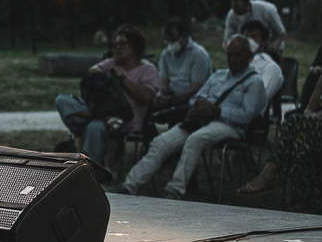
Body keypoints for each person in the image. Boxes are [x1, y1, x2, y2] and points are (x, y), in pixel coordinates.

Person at [114, 35, 267, 199]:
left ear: (248, 57)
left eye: (237, 55)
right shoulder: (219, 75)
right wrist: (200, 105)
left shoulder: (254, 82)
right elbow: (196, 98)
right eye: (229, 54)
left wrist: (218, 111)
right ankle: (130, 185)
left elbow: (248, 115)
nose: (232, 59)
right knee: (161, 142)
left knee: (196, 139)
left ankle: (175, 190)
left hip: (230, 125)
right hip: (200, 119)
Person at [56, 25, 160, 167]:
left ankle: (90, 172)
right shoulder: (112, 63)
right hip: (104, 112)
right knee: (63, 100)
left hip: (127, 119)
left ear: (135, 47)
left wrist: (122, 78)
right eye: (115, 44)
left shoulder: (147, 69)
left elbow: (147, 97)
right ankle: (103, 116)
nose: (117, 48)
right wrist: (103, 73)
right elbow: (91, 73)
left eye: (122, 44)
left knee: (94, 127)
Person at [236, 65, 322, 208]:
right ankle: (300, 203)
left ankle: (270, 174)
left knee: (294, 123)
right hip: (316, 132)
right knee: (301, 142)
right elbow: (309, 110)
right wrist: (311, 119)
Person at [154, 17, 211, 116]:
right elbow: (164, 81)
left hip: (192, 101)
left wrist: (172, 100)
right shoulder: (166, 54)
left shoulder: (199, 55)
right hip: (172, 98)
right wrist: (162, 95)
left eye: (173, 40)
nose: (170, 44)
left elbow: (196, 88)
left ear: (184, 36)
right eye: (167, 40)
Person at [240, 19, 283, 104]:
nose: (249, 41)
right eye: (246, 37)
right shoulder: (237, 62)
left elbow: (258, 100)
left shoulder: (270, 67)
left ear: (264, 41)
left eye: (254, 37)